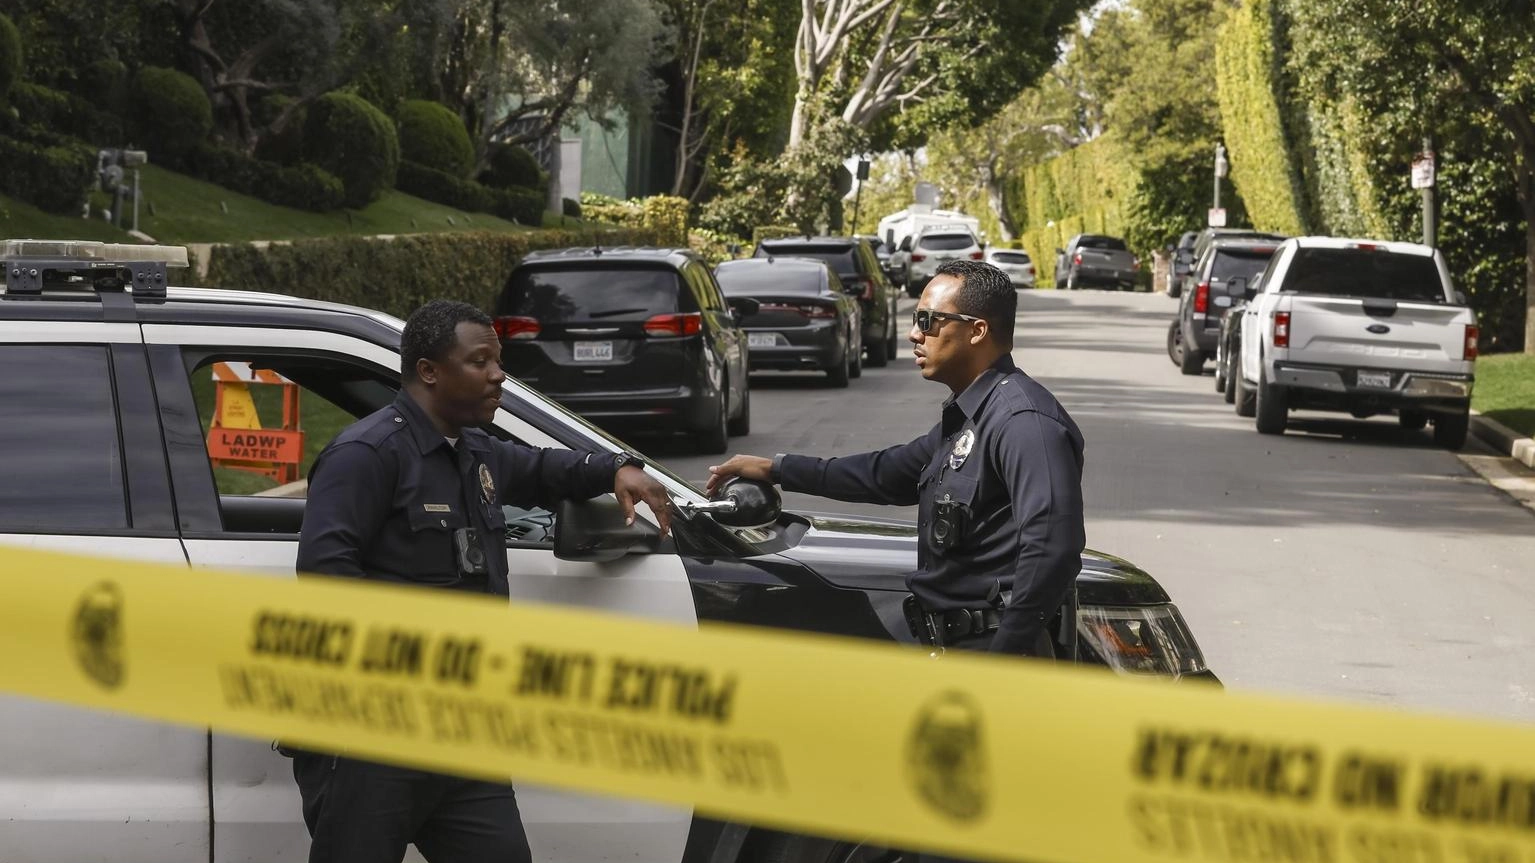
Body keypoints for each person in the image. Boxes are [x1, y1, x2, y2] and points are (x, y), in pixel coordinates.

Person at [294, 299, 672, 863]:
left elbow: (546, 468)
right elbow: (325, 587)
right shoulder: (366, 455)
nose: (499, 374)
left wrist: (616, 466)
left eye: (498, 360)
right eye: (481, 361)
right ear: (429, 371)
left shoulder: (473, 449)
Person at [708, 259, 1085, 658]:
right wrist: (778, 469)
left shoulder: (1023, 421)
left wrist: (1001, 661)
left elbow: (1052, 549)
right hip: (954, 647)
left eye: (928, 320)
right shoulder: (973, 416)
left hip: (995, 656)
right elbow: (887, 474)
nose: (913, 334)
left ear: (977, 331)